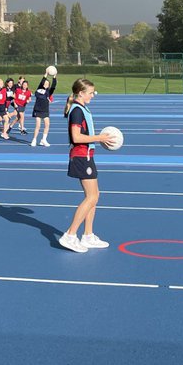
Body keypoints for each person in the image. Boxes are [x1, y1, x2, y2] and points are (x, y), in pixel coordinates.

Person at [59, 78, 114, 253]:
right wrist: (100, 138)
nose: (93, 95)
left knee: (95, 195)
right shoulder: (76, 111)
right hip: (81, 157)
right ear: (81, 93)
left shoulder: (82, 108)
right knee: (91, 197)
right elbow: (76, 138)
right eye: (91, 92)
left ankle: (88, 235)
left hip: (87, 156)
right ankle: (70, 235)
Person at [30, 70, 57, 147]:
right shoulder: (39, 89)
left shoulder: (49, 92)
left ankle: (43, 140)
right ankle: (34, 139)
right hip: (38, 110)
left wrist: (54, 76)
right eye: (45, 83)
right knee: (38, 126)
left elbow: (54, 86)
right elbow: (42, 81)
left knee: (47, 125)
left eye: (47, 84)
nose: (46, 84)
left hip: (45, 110)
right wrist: (46, 74)